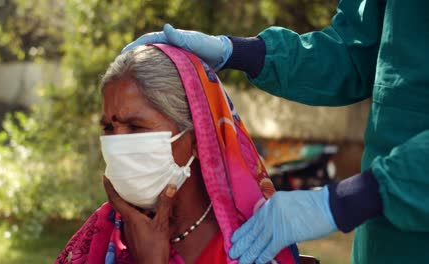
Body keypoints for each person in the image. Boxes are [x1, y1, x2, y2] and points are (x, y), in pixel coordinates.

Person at [122, 1, 429, 264]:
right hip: (384, 235)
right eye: (109, 125)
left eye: (136, 126)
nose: (120, 140)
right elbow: (354, 52)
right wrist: (241, 52)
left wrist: (345, 201)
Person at [56, 44, 300, 263]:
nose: (117, 145)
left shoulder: (254, 241)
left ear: (197, 135)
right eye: (109, 127)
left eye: (136, 127)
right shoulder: (105, 231)